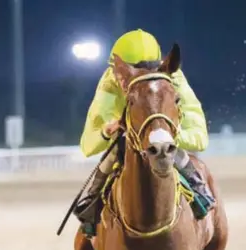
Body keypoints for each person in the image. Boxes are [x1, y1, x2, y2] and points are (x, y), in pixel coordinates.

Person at [74, 29, 216, 232]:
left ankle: (200, 191)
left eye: (148, 69)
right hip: (127, 138)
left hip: (165, 139)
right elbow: (88, 146)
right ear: (118, 70)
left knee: (168, 147)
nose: (140, 76)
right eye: (131, 71)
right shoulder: (110, 81)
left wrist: (168, 136)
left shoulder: (172, 76)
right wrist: (106, 132)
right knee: (115, 151)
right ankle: (90, 205)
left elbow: (200, 139)